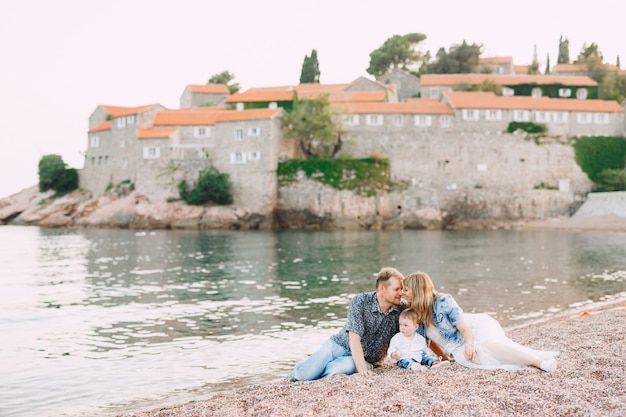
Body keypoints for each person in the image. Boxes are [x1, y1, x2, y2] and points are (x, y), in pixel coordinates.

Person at [403, 271, 558, 372]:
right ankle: (530, 360)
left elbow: (464, 329)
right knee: (478, 360)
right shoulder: (417, 315)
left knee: (488, 346)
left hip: (475, 328)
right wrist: (444, 359)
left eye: (406, 289)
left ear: (417, 290)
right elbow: (430, 342)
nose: (403, 293)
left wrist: (470, 344)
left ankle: (539, 363)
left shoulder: (444, 301)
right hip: (457, 347)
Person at [288, 267, 405, 381]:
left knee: (340, 369)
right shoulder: (360, 301)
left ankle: (318, 377)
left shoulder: (402, 309)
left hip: (364, 359)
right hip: (337, 346)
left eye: (402, 289)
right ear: (382, 288)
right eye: (397, 289)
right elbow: (354, 339)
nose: (401, 293)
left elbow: (417, 321)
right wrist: (363, 371)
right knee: (304, 375)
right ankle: (301, 370)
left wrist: (363, 369)